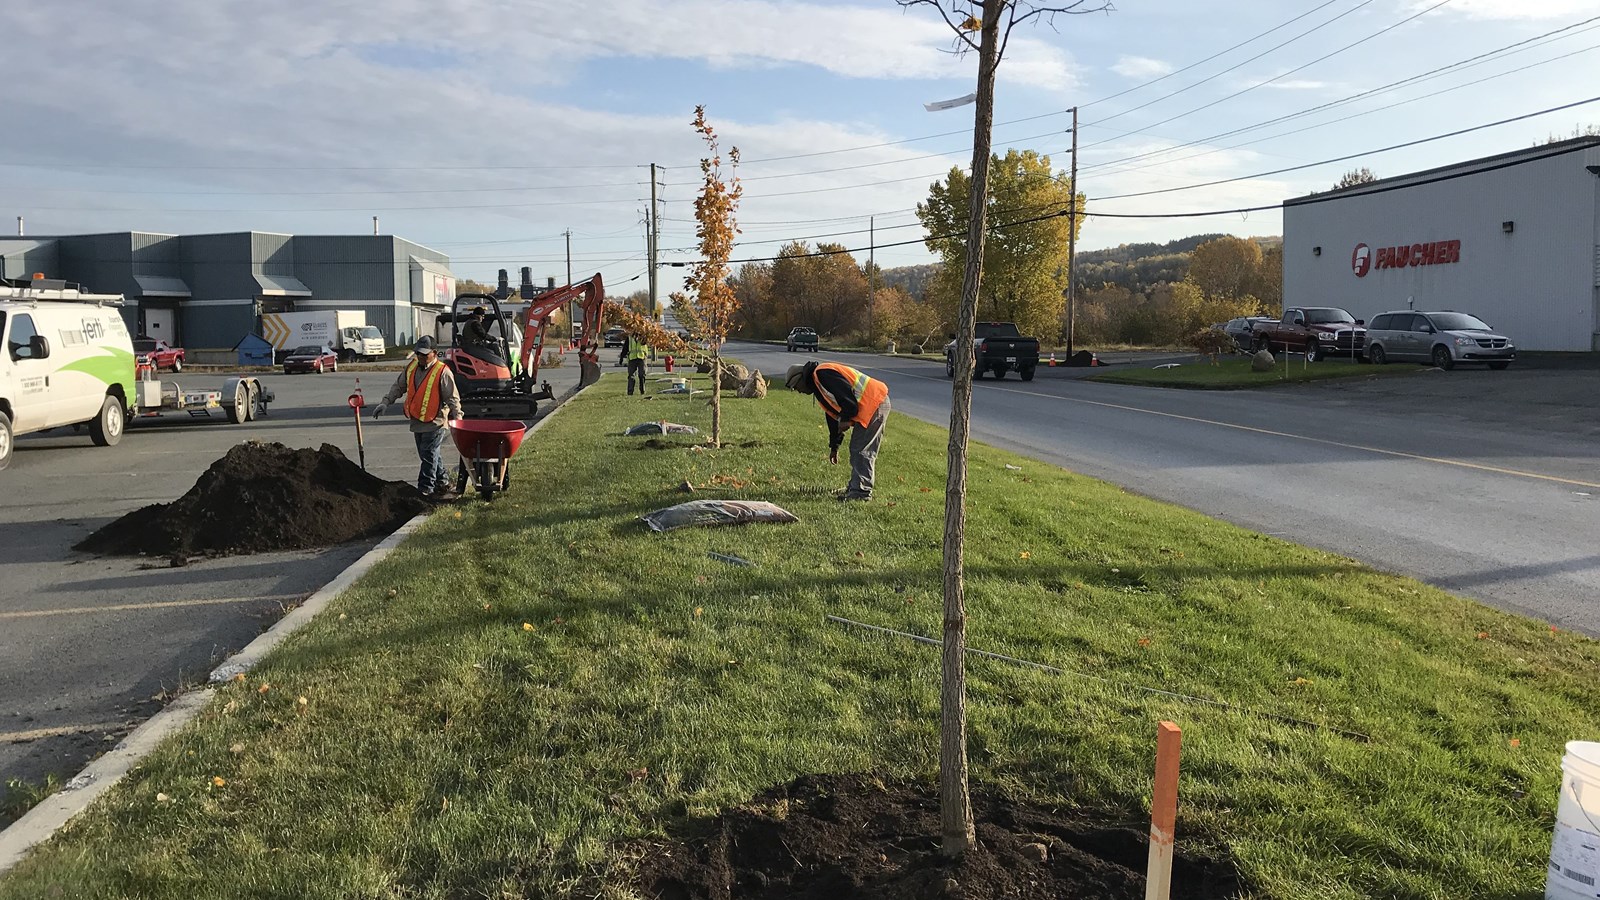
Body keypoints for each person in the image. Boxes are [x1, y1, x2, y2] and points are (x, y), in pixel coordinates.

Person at [373, 336, 464, 500]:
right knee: (428, 454)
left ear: (434, 353)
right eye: (418, 354)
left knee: (428, 454)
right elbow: (399, 386)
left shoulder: (442, 372)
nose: (420, 357)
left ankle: (425, 489)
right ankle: (442, 482)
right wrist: (385, 403)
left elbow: (453, 397)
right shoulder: (412, 367)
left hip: (436, 421)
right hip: (417, 420)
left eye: (424, 354)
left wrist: (458, 417)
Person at [785, 360, 890, 501]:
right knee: (859, 449)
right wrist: (834, 446)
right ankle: (856, 487)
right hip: (872, 404)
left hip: (874, 402)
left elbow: (847, 399)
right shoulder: (818, 385)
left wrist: (846, 418)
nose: (799, 391)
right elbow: (833, 417)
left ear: (800, 378)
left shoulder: (823, 373)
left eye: (796, 387)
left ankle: (860, 493)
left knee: (861, 450)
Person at [620, 331, 649, 395]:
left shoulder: (643, 336)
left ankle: (642, 390)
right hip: (632, 358)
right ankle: (630, 392)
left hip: (641, 357)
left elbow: (645, 342)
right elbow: (625, 348)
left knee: (642, 375)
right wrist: (621, 357)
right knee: (631, 376)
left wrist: (641, 336)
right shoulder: (629, 338)